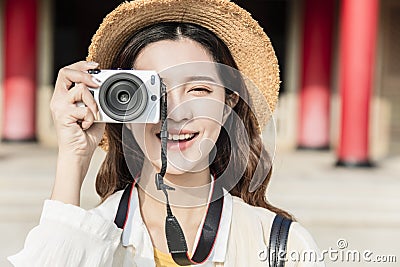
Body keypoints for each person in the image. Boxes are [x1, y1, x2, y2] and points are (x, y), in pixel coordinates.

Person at [9, 0, 325, 266]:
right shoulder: (84, 237)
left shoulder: (280, 247)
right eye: (153, 92)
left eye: (198, 89)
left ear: (228, 103)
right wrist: (73, 158)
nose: (175, 113)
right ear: (123, 105)